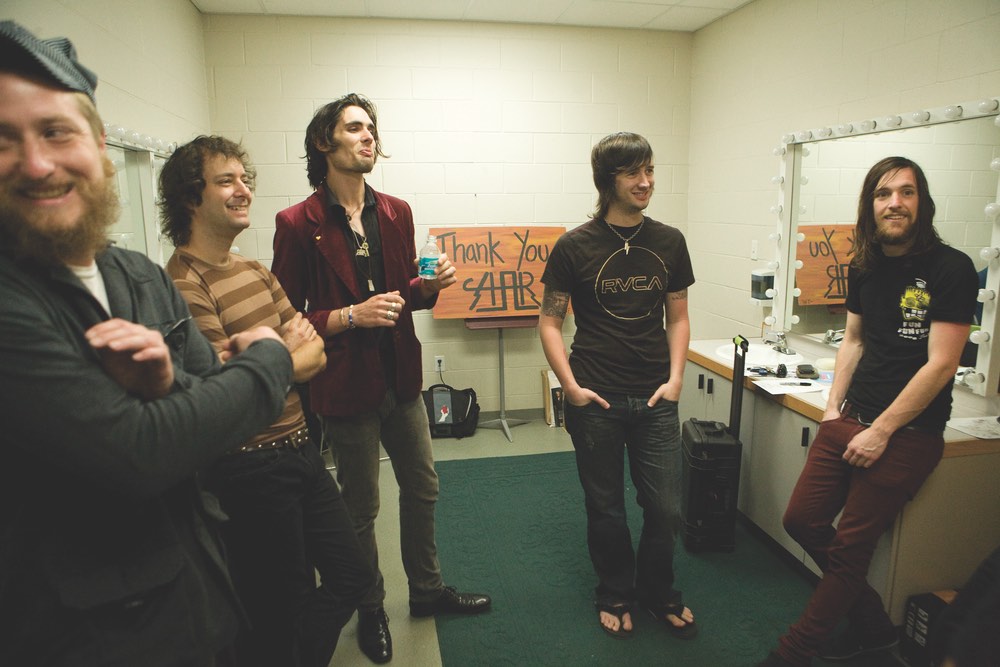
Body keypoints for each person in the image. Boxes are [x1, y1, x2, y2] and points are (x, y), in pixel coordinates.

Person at [0, 21, 294, 667]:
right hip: (79, 638)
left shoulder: (133, 273)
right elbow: (139, 451)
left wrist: (167, 390)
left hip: (199, 596)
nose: (37, 162)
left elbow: (204, 415)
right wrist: (272, 358)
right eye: (4, 139)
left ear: (99, 145)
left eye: (55, 131)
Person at [271, 93, 491, 665]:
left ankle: (427, 590)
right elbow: (285, 315)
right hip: (344, 387)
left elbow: (405, 294)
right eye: (354, 128)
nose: (369, 138)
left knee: (423, 488)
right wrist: (348, 316)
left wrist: (431, 287)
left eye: (371, 129)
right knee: (360, 506)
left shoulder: (395, 211)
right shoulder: (297, 223)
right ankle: (370, 606)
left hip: (401, 379)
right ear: (325, 142)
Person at [160, 135, 375, 667]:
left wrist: (269, 359)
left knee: (353, 577)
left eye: (245, 179)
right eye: (226, 181)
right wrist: (286, 354)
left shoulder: (254, 270)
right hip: (248, 468)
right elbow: (225, 389)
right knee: (281, 603)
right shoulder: (182, 286)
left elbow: (316, 351)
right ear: (191, 197)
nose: (243, 191)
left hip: (302, 449)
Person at [756, 156, 979, 667]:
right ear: (870, 204)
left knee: (850, 554)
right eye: (883, 194)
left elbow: (942, 364)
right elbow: (853, 340)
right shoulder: (865, 265)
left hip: (908, 435)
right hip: (848, 418)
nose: (894, 203)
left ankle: (795, 651)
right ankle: (875, 625)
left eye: (905, 192)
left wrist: (881, 431)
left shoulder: (952, 269)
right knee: (801, 520)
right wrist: (833, 408)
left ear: (921, 202)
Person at [539, 132, 696, 640]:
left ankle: (657, 590)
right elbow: (549, 322)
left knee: (666, 507)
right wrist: (570, 388)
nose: (645, 181)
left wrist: (676, 379)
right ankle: (614, 591)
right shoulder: (574, 245)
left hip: (655, 397)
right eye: (633, 172)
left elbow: (678, 317)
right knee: (604, 505)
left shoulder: (669, 241)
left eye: (649, 170)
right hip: (596, 396)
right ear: (608, 180)